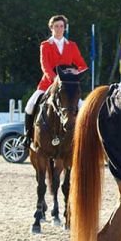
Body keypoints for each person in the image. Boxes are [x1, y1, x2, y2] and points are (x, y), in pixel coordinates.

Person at [21, 15, 88, 146]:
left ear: (65, 28)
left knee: (82, 107)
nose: (59, 29)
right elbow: (44, 65)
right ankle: (27, 136)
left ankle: (83, 140)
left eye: (61, 26)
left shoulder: (72, 46)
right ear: (51, 28)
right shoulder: (45, 45)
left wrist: (76, 71)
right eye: (56, 26)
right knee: (30, 106)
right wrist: (55, 79)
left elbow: (83, 65)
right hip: (47, 84)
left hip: (68, 87)